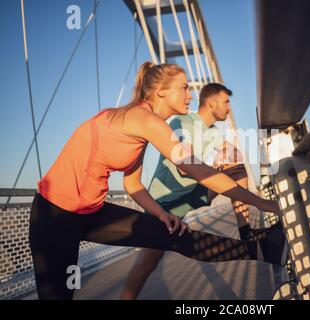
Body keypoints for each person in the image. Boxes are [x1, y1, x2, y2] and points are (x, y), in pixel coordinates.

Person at [29, 62, 287, 300]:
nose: (190, 95)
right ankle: (264, 248)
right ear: (162, 92)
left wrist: (161, 214)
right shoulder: (145, 121)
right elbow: (200, 172)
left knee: (175, 236)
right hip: (54, 215)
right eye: (184, 87)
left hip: (91, 212)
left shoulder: (142, 127)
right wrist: (264, 204)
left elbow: (134, 185)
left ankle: (265, 249)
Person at [120, 83, 281, 300]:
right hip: (164, 204)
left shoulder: (213, 132)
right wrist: (218, 167)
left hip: (194, 194)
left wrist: (231, 154)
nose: (229, 108)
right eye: (226, 102)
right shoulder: (182, 121)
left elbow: (229, 156)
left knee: (235, 162)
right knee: (146, 265)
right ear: (212, 102)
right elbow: (183, 168)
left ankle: (246, 231)